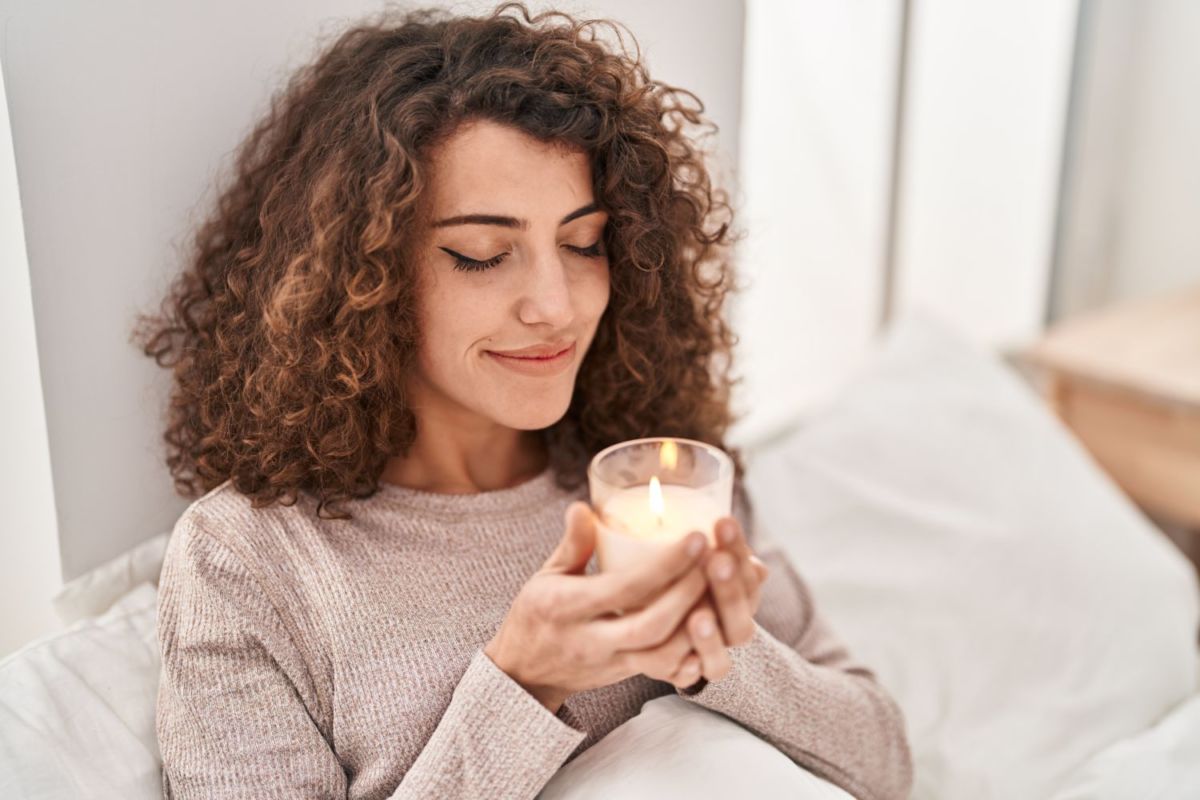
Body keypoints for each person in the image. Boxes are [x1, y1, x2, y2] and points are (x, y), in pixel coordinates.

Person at [134, 3, 914, 798]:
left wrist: (716, 649)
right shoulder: (250, 564)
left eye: (584, 244)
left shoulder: (655, 481)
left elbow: (883, 764)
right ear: (360, 278)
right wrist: (522, 683)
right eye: (482, 255)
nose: (556, 303)